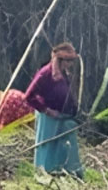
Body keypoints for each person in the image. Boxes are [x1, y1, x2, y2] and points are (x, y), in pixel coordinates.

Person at [25, 42, 81, 178]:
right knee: (48, 146)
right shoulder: (45, 74)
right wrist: (47, 110)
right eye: (68, 61)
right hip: (49, 118)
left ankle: (68, 173)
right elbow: (29, 96)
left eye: (71, 61)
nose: (70, 64)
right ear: (60, 60)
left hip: (63, 117)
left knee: (64, 146)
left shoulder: (64, 75)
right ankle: (46, 173)